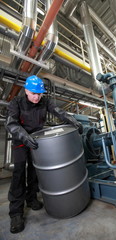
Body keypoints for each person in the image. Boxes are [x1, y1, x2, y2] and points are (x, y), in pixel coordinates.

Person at [6, 75, 83, 234]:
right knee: (19, 174)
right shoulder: (16, 103)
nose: (36, 97)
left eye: (39, 94)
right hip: (21, 141)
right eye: (33, 93)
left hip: (36, 142)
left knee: (35, 171)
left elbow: (58, 111)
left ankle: (31, 198)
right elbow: (11, 123)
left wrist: (72, 120)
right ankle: (16, 213)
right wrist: (24, 136)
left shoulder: (45, 102)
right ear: (26, 90)